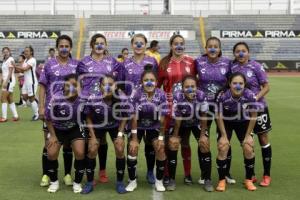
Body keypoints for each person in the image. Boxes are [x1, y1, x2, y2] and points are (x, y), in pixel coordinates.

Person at [77, 33, 123, 184]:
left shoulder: (112, 62)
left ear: (106, 45)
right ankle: (85, 172)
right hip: (88, 106)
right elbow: (78, 83)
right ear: (91, 44)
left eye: (102, 43)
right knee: (89, 142)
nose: (99, 45)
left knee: (103, 141)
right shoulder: (83, 62)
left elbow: (120, 79)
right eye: (96, 43)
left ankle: (102, 171)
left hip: (108, 107)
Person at [39, 35, 79, 188]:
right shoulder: (49, 64)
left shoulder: (76, 64)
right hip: (51, 110)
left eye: (66, 46)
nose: (63, 49)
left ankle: (68, 174)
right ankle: (46, 174)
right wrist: (42, 106)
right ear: (57, 47)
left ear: (70, 48)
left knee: (68, 143)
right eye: (61, 46)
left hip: (70, 110)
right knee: (49, 142)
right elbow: (42, 86)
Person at [231, 42, 272, 187]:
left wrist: (256, 97)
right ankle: (251, 175)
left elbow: (266, 86)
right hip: (242, 111)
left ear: (248, 52)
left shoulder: (256, 66)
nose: (240, 54)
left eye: (243, 51)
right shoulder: (233, 67)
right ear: (234, 53)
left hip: (259, 108)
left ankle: (267, 175)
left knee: (263, 138)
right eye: (237, 51)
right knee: (247, 141)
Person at [194, 36, 234, 185]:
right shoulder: (198, 62)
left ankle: (226, 173)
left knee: (224, 138)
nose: (212, 49)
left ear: (219, 49)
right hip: (203, 107)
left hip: (222, 108)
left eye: (215, 46)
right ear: (205, 48)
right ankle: (205, 174)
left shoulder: (227, 63)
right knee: (202, 138)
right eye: (209, 46)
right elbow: (191, 80)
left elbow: (233, 81)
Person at [82, 74, 131, 194]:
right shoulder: (93, 98)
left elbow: (125, 116)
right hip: (98, 125)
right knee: (92, 148)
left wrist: (120, 135)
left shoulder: (121, 97)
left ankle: (119, 182)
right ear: (100, 86)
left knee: (120, 147)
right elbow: (88, 117)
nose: (108, 87)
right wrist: (92, 137)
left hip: (114, 125)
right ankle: (89, 182)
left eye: (111, 84)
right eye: (105, 85)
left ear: (115, 86)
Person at [158, 34, 196, 186]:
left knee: (185, 142)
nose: (179, 46)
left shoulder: (191, 62)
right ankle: (167, 174)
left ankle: (187, 174)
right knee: (169, 143)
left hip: (187, 109)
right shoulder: (164, 63)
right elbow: (157, 87)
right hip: (169, 109)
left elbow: (196, 84)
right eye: (176, 44)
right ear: (171, 45)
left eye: (181, 43)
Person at [122, 34, 158, 184]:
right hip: (132, 110)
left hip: (149, 109)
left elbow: (157, 83)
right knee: (133, 141)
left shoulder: (152, 61)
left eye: (141, 43)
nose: (138, 45)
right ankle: (132, 173)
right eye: (136, 43)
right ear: (132, 45)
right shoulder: (124, 64)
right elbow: (121, 86)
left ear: (145, 45)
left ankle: (150, 171)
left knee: (150, 142)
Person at [126, 66, 168, 192]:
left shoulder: (161, 94)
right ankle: (132, 181)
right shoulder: (136, 93)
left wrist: (161, 138)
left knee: (160, 149)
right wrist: (134, 139)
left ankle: (159, 181)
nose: (149, 82)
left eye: (152, 80)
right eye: (146, 80)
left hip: (154, 126)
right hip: (137, 125)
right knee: (132, 149)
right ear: (141, 81)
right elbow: (133, 117)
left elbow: (163, 119)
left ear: (156, 82)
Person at [215, 72, 259, 191]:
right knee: (223, 146)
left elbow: (254, 115)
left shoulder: (250, 95)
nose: (237, 86)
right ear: (229, 84)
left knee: (248, 147)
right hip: (226, 122)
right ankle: (222, 180)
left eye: (240, 83)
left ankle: (249, 180)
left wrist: (249, 135)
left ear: (245, 84)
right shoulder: (222, 95)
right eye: (235, 83)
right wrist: (223, 135)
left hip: (243, 122)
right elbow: (218, 115)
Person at [167, 75, 210, 191]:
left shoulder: (201, 95)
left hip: (196, 122)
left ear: (197, 87)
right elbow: (178, 119)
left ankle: (207, 179)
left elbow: (204, 116)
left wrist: (202, 135)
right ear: (182, 88)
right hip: (181, 123)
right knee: (173, 144)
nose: (190, 89)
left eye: (192, 86)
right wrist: (175, 136)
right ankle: (171, 179)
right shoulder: (177, 96)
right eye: (187, 87)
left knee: (205, 144)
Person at [45, 74, 85, 193]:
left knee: (80, 152)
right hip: (57, 129)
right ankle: (54, 182)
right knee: (51, 153)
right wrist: (52, 135)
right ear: (64, 86)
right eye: (69, 85)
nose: (72, 88)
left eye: (75, 85)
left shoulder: (83, 98)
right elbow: (48, 118)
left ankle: (77, 183)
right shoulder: (56, 98)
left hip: (75, 128)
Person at [14, 46, 39, 121]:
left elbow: (25, 69)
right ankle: (37, 103)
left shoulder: (32, 60)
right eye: (25, 51)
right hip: (26, 81)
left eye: (27, 51)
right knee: (24, 97)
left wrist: (15, 65)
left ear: (31, 52)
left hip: (32, 82)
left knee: (31, 99)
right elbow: (22, 71)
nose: (25, 52)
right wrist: (15, 68)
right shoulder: (25, 61)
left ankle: (36, 114)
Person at [0, 47, 19, 122]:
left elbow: (11, 72)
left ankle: (4, 117)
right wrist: (2, 80)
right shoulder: (4, 61)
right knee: (9, 99)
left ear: (9, 52)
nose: (5, 53)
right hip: (6, 81)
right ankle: (16, 116)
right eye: (4, 52)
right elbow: (3, 72)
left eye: (6, 51)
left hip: (9, 81)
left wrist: (6, 81)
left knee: (2, 98)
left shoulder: (10, 59)